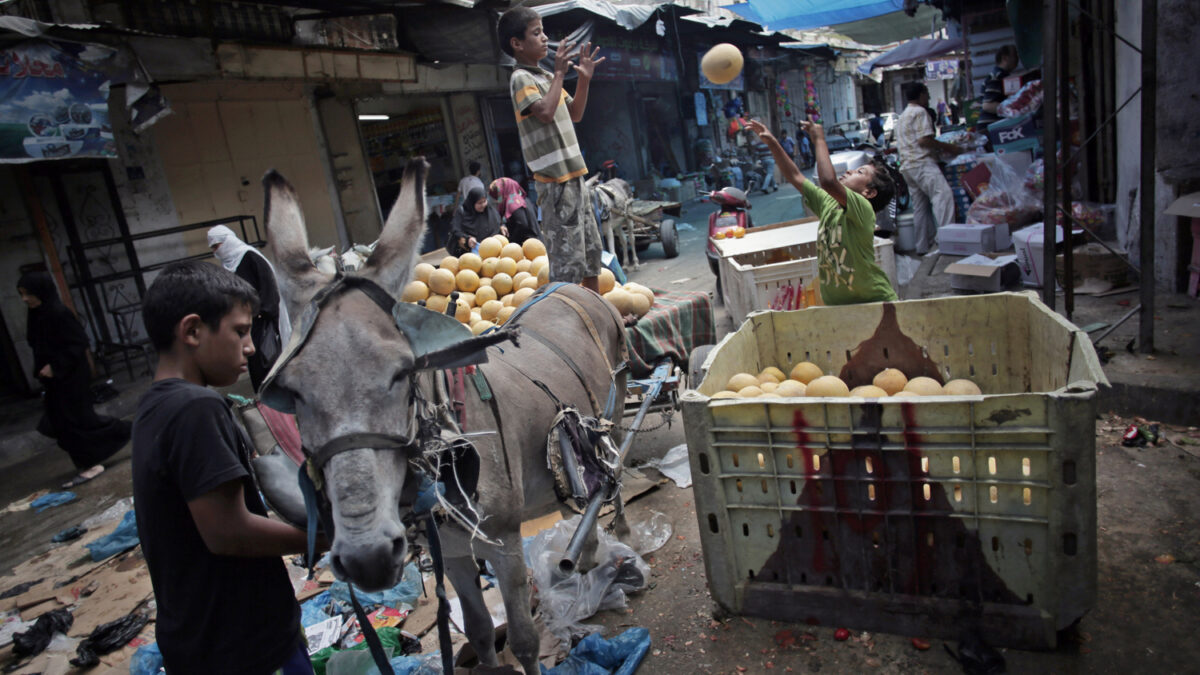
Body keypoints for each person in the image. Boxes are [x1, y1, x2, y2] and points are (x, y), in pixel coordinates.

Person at [133, 261, 314, 674]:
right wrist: (324, 540)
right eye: (239, 331)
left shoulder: (155, 405)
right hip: (246, 644)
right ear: (193, 331)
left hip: (200, 640)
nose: (250, 347)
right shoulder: (196, 409)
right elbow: (228, 533)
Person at [499, 6, 605, 293]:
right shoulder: (522, 78)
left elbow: (576, 113)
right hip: (555, 183)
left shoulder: (546, 77)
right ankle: (574, 325)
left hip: (575, 176)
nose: (545, 38)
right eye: (537, 33)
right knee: (567, 265)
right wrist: (559, 73)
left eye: (544, 31)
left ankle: (598, 318)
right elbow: (545, 112)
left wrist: (583, 79)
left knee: (591, 254)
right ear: (517, 44)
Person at [747, 119, 897, 305]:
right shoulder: (828, 203)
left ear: (869, 193)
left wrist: (819, 139)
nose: (850, 172)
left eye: (860, 172)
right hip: (839, 307)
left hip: (876, 302)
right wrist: (772, 143)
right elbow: (795, 176)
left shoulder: (863, 209)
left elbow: (828, 181)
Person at [18, 270, 130, 488]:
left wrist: (56, 366)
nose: (25, 299)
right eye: (22, 294)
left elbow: (78, 343)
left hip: (70, 376)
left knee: (78, 421)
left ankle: (93, 461)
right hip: (54, 380)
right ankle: (92, 457)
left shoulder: (59, 313)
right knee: (62, 422)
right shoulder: (37, 314)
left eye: (27, 293)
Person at [206, 226, 290, 391]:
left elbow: (269, 287)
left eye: (218, 246)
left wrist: (260, 314)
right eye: (213, 248)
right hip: (245, 322)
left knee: (267, 357)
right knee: (253, 359)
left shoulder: (250, 257)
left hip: (261, 320)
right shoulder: (229, 265)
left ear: (228, 241)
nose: (216, 252)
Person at [895, 82, 965, 254]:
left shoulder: (902, 116)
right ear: (921, 95)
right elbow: (924, 140)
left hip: (907, 166)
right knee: (943, 196)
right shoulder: (920, 112)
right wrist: (950, 148)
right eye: (927, 94)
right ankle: (946, 242)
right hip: (921, 163)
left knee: (920, 206)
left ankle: (922, 245)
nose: (929, 98)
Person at [449, 186, 503, 255]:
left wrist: (502, 226)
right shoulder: (462, 211)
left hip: (493, 250)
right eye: (479, 203)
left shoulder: (489, 210)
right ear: (472, 202)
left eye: (484, 201)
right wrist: (467, 238)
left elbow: (498, 221)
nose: (483, 205)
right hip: (471, 254)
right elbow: (455, 229)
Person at [489, 176, 541, 243]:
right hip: (535, 241)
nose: (498, 201)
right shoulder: (523, 199)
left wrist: (511, 240)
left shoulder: (513, 203)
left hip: (529, 245)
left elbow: (522, 225)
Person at [979, 45, 1019, 129]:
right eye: (1015, 55)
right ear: (1005, 58)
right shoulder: (998, 77)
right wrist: (1013, 110)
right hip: (991, 129)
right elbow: (987, 105)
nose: (1017, 59)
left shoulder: (1001, 76)